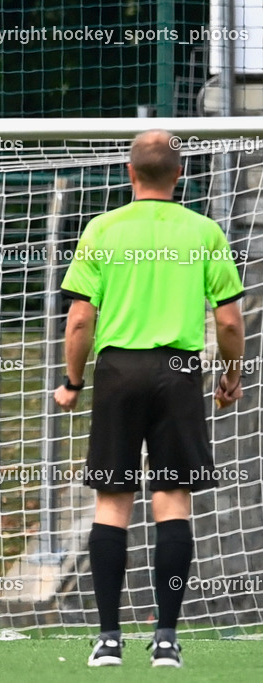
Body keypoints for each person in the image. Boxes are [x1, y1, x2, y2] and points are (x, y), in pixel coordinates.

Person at [55, 129, 245, 668]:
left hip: (118, 370)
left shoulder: (102, 229)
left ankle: (109, 639)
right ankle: (166, 638)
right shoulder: (204, 231)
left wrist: (73, 381)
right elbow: (229, 320)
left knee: (112, 502)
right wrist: (231, 374)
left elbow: (79, 320)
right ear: (180, 176)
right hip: (180, 370)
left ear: (130, 173)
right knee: (173, 502)